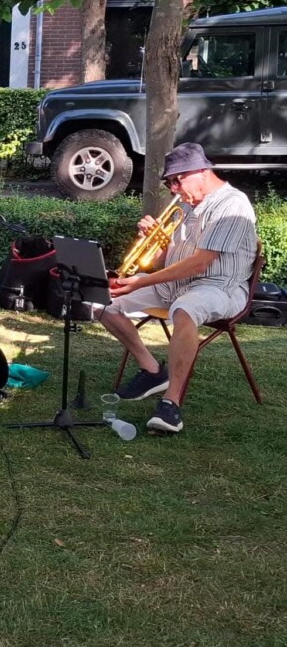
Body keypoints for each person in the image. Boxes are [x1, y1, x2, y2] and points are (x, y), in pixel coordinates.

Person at [99, 143, 257, 434]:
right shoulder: (184, 206)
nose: (173, 188)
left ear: (202, 171)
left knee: (184, 310)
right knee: (104, 304)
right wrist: (152, 240)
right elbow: (163, 261)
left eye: (177, 180)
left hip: (219, 286)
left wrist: (142, 281)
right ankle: (152, 370)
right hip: (173, 285)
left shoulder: (233, 205)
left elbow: (200, 263)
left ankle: (170, 404)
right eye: (169, 182)